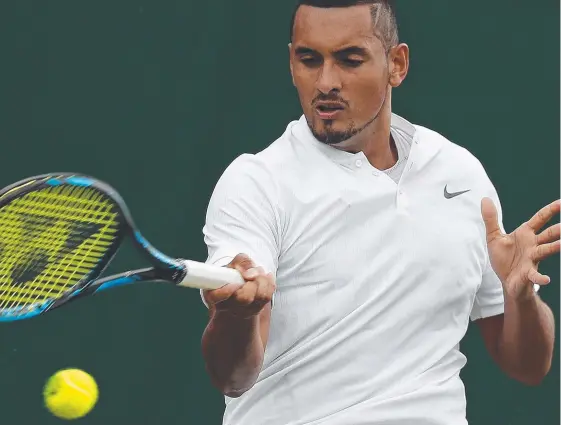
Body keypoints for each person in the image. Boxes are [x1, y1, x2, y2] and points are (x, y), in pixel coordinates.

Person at [199, 1, 559, 424]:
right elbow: (233, 378)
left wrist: (520, 299)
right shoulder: (256, 183)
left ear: (397, 64)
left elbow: (529, 366)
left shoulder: (459, 174)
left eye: (350, 60)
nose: (326, 82)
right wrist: (235, 315)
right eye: (309, 59)